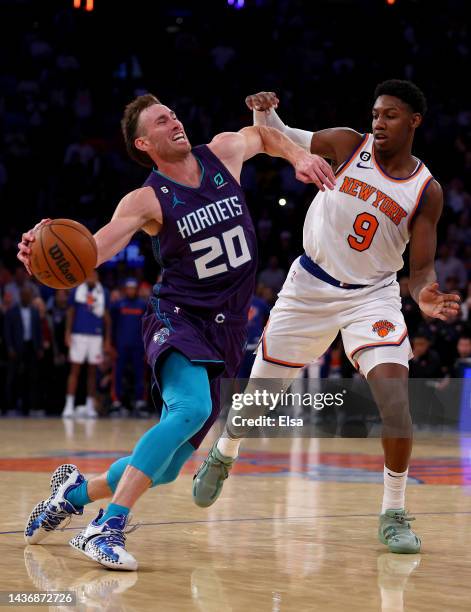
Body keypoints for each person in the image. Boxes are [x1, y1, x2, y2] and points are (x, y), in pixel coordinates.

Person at [18, 93, 335, 570]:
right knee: (192, 408)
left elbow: (265, 135)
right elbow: (94, 249)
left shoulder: (222, 152)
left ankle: (73, 493)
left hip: (225, 331)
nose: (174, 122)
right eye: (161, 121)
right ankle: (106, 525)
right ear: (144, 142)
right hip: (178, 318)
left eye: (173, 114)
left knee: (164, 469)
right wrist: (48, 249)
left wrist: (299, 154)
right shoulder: (145, 199)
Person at [192, 81, 461, 554]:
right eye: (376, 113)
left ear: (414, 122)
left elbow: (420, 271)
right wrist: (264, 111)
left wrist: (425, 297)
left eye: (391, 115)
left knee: (397, 402)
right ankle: (224, 452)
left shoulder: (426, 190)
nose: (379, 122)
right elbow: (283, 137)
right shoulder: (346, 143)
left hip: (371, 297)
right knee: (259, 401)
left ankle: (393, 512)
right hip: (309, 287)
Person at [62, 270, 111, 418]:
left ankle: (90, 406)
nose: (91, 277)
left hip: (96, 336)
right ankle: (68, 405)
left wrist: (107, 339)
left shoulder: (104, 292)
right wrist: (67, 332)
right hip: (78, 334)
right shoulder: (77, 290)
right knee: (74, 371)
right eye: (89, 275)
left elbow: (107, 318)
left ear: (98, 277)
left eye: (94, 275)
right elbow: (70, 312)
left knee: (92, 372)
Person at [110, 278, 147, 417]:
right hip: (121, 346)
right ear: (125, 289)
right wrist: (111, 344)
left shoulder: (143, 305)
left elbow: (147, 326)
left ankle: (140, 402)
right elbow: (111, 324)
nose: (131, 290)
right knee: (118, 374)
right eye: (128, 288)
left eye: (133, 288)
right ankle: (116, 403)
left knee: (140, 374)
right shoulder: (118, 305)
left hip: (138, 346)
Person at [4, 287, 42, 415]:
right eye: (24, 295)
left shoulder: (35, 311)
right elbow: (7, 332)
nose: (26, 297)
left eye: (28, 295)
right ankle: (10, 407)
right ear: (20, 296)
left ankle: (30, 407)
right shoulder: (12, 312)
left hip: (31, 346)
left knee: (32, 378)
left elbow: (38, 331)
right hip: (16, 347)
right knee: (13, 377)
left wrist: (39, 347)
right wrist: (10, 348)